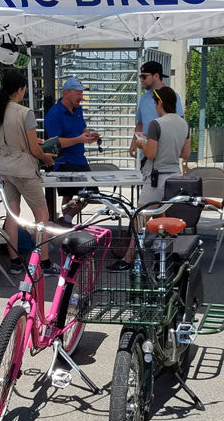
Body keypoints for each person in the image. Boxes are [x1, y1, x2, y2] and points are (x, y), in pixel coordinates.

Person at [110, 86, 190, 271]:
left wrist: (141, 143)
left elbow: (151, 154)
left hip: (156, 177)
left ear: (159, 103)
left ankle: (128, 259)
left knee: (140, 217)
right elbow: (185, 153)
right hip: (174, 177)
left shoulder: (156, 124)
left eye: (155, 102)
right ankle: (164, 256)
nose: (154, 106)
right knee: (163, 216)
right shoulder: (183, 124)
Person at [0, 69, 59, 275]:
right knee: (42, 215)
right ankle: (45, 263)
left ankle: (15, 263)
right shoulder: (25, 112)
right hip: (24, 169)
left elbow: (9, 140)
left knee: (12, 214)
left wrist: (30, 143)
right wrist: (46, 157)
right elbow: (34, 149)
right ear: (20, 89)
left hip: (4, 167)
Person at [44, 76, 99, 224]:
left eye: (82, 93)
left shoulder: (78, 109)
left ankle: (66, 220)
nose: (81, 97)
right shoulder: (54, 114)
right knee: (68, 194)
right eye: (78, 93)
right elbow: (54, 143)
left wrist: (89, 136)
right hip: (63, 162)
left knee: (90, 194)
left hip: (80, 159)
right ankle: (66, 221)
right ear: (66, 93)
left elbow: (82, 129)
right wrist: (79, 139)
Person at [128, 60, 183, 159]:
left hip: (165, 154)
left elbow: (179, 122)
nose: (141, 80)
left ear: (156, 76)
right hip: (145, 154)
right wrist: (134, 143)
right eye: (141, 77)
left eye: (144, 77)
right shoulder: (144, 98)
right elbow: (140, 123)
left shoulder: (172, 96)